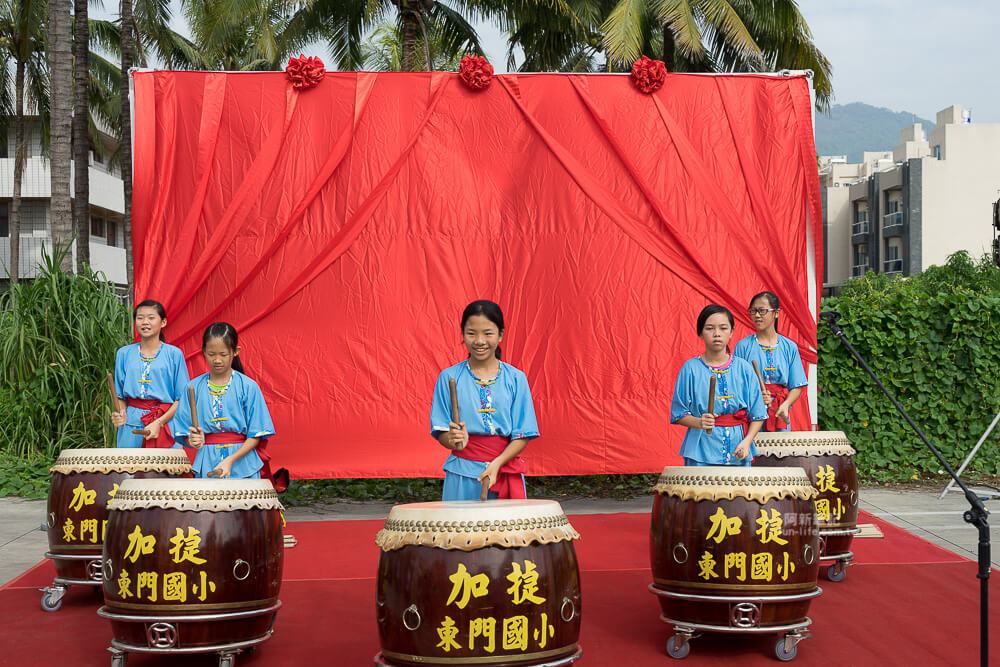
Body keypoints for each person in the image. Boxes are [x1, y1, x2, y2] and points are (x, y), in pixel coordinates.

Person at [430, 300, 539, 500]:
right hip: (462, 474)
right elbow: (442, 431)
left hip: (504, 470)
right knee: (460, 531)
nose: (479, 341)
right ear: (462, 334)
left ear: (500, 335)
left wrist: (497, 463)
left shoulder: (516, 378)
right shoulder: (449, 377)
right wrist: (454, 440)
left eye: (488, 333)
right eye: (471, 333)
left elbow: (523, 433)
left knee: (506, 531)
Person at [172, 323, 275, 479]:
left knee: (243, 504)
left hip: (243, 462)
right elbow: (183, 432)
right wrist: (192, 440)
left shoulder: (248, 386)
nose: (217, 360)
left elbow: (256, 435)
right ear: (203, 352)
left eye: (223, 354)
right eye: (211, 354)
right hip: (207, 461)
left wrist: (230, 461)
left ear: (235, 352)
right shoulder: (192, 387)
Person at [670, 304, 767, 466]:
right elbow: (678, 414)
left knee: (738, 492)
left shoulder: (744, 368)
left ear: (731, 332)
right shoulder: (690, 369)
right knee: (702, 491)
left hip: (738, 446)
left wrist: (747, 442)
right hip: (701, 449)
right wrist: (699, 422)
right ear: (700, 332)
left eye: (723, 328)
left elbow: (758, 414)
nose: (717, 334)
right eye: (709, 328)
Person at [111, 300, 189, 448]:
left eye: (151, 318)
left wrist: (159, 422)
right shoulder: (124, 353)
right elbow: (120, 395)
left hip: (164, 423)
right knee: (129, 469)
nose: (145, 322)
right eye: (140, 318)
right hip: (131, 424)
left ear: (163, 322)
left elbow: (181, 399)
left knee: (163, 470)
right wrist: (121, 415)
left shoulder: (174, 354)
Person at [734, 291, 808, 431]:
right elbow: (737, 384)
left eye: (762, 311)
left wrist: (785, 405)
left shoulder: (789, 347)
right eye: (753, 311)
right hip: (753, 413)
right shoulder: (743, 347)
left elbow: (797, 385)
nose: (756, 315)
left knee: (780, 450)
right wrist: (756, 397)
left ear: (776, 313)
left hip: (780, 413)